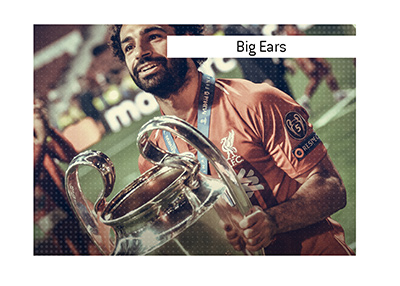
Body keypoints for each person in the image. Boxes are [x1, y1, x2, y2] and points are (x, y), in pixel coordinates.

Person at [109, 24, 354, 255]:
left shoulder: (255, 102)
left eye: (153, 37)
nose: (140, 52)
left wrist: (273, 221)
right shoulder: (154, 156)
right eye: (128, 47)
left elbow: (332, 187)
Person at [34, 98, 101, 255]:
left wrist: (49, 129)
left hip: (68, 200)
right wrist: (41, 142)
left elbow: (70, 156)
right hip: (46, 209)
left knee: (97, 243)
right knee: (74, 250)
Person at [274, 25, 348, 112]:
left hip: (306, 54)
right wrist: (306, 61)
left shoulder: (288, 27)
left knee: (324, 71)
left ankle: (336, 92)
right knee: (317, 76)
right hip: (306, 55)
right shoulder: (289, 28)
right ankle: (305, 99)